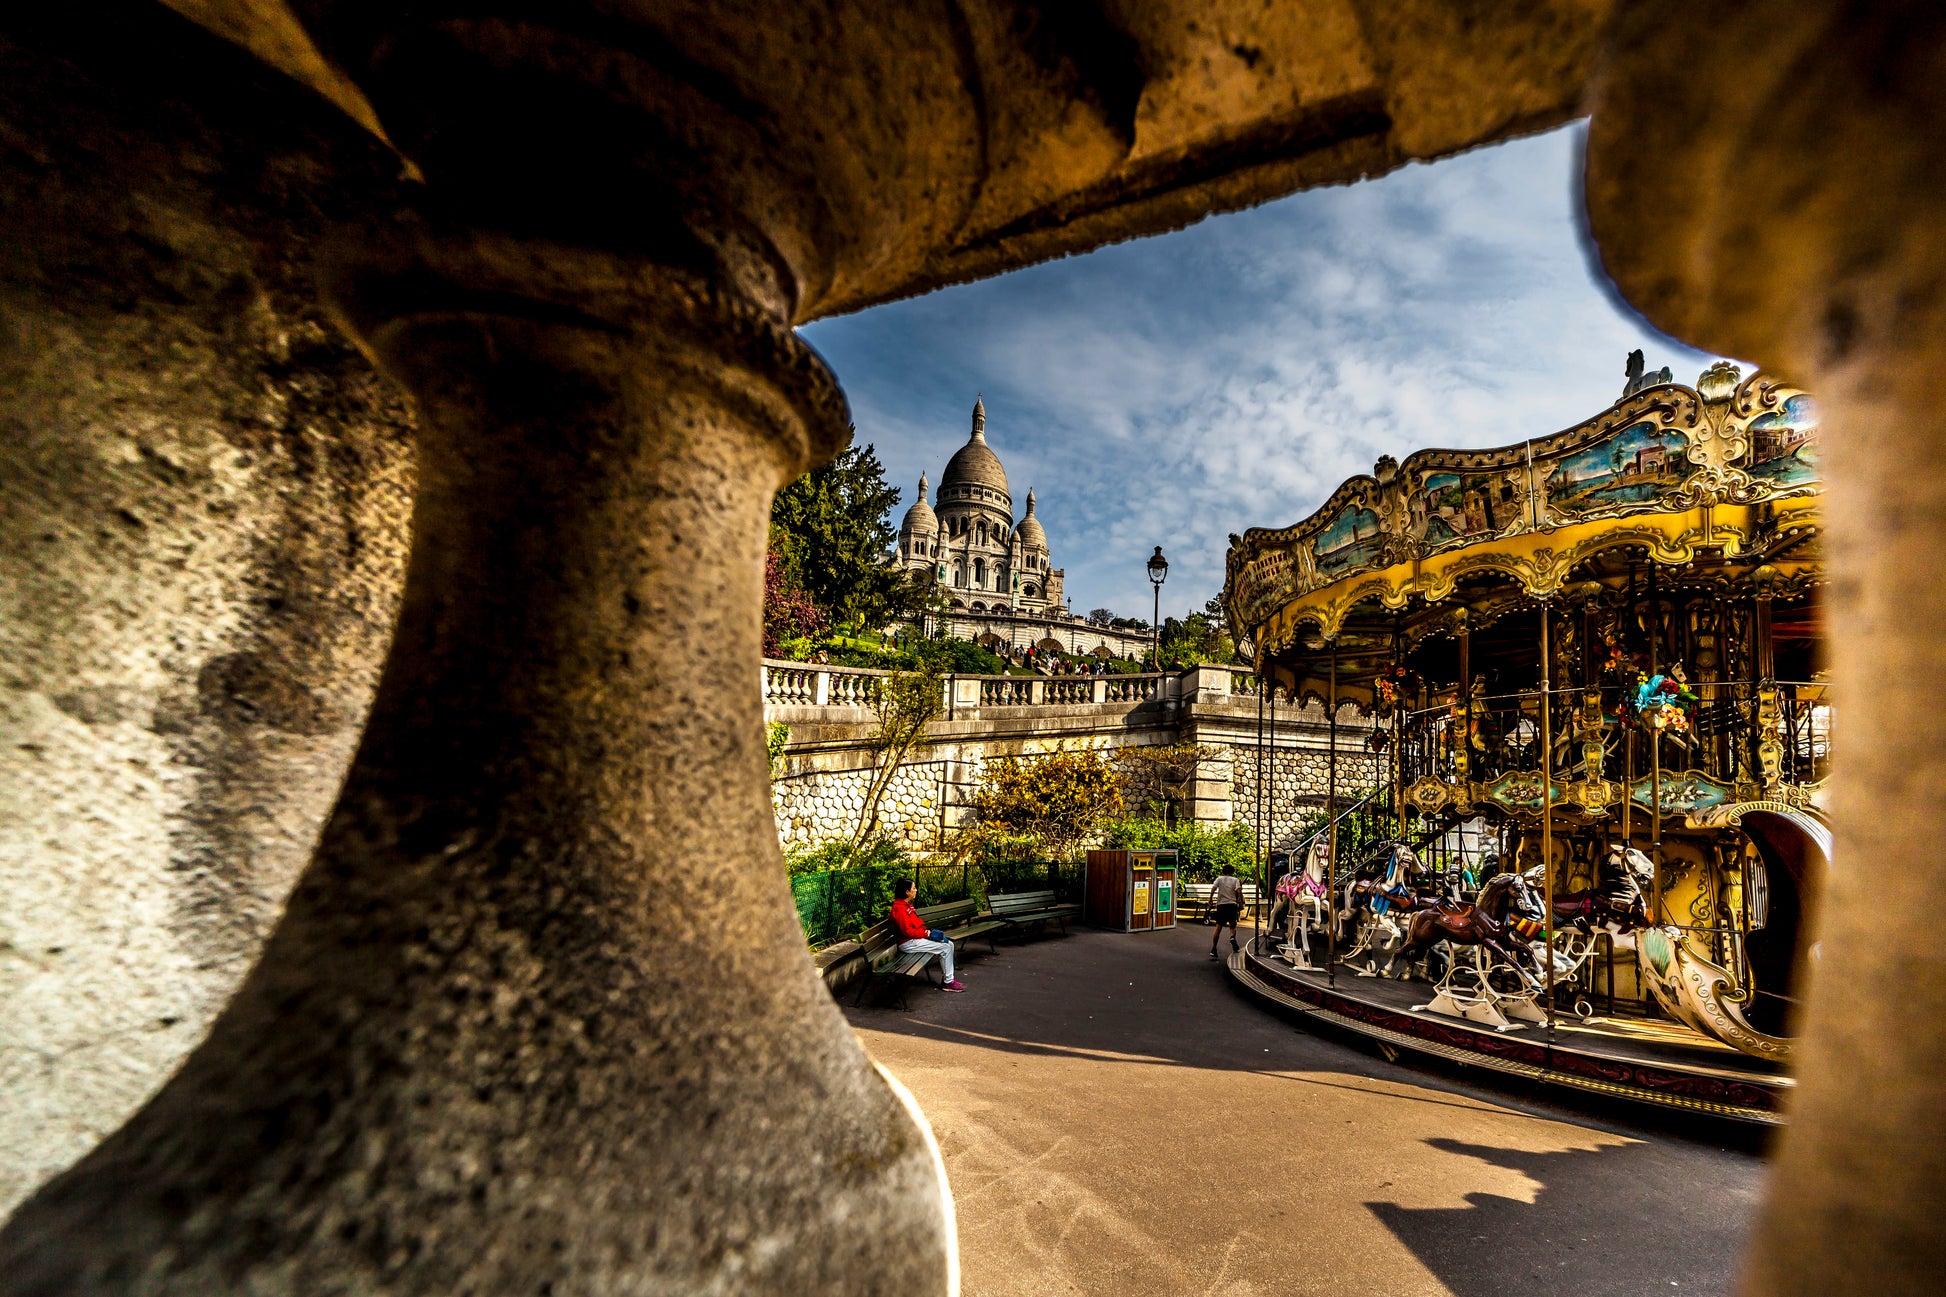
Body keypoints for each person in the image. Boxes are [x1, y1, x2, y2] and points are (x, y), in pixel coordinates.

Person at [890, 878, 964, 991]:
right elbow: (907, 932)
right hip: (908, 943)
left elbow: (917, 925)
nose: (916, 890)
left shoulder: (906, 906)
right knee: (945, 948)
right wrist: (926, 934)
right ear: (907, 892)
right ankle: (948, 983)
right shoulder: (900, 909)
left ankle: (948, 980)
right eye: (914, 888)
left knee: (949, 944)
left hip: (915, 940)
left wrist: (927, 932)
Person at [1207, 864, 1244, 960]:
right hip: (1232, 905)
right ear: (1232, 872)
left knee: (1218, 927)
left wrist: (1210, 899)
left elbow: (1213, 889)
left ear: (1223, 871)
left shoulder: (1219, 879)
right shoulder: (1235, 880)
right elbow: (1239, 891)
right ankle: (1232, 937)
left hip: (1221, 905)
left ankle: (1214, 949)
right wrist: (1241, 902)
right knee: (1233, 925)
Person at [1262, 851, 1293, 943]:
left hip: (1275, 887)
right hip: (1287, 887)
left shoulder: (1271, 859)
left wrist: (1269, 888)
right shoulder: (1287, 858)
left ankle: (1272, 928)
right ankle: (1283, 927)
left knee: (1275, 908)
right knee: (1286, 907)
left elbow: (1267, 875)